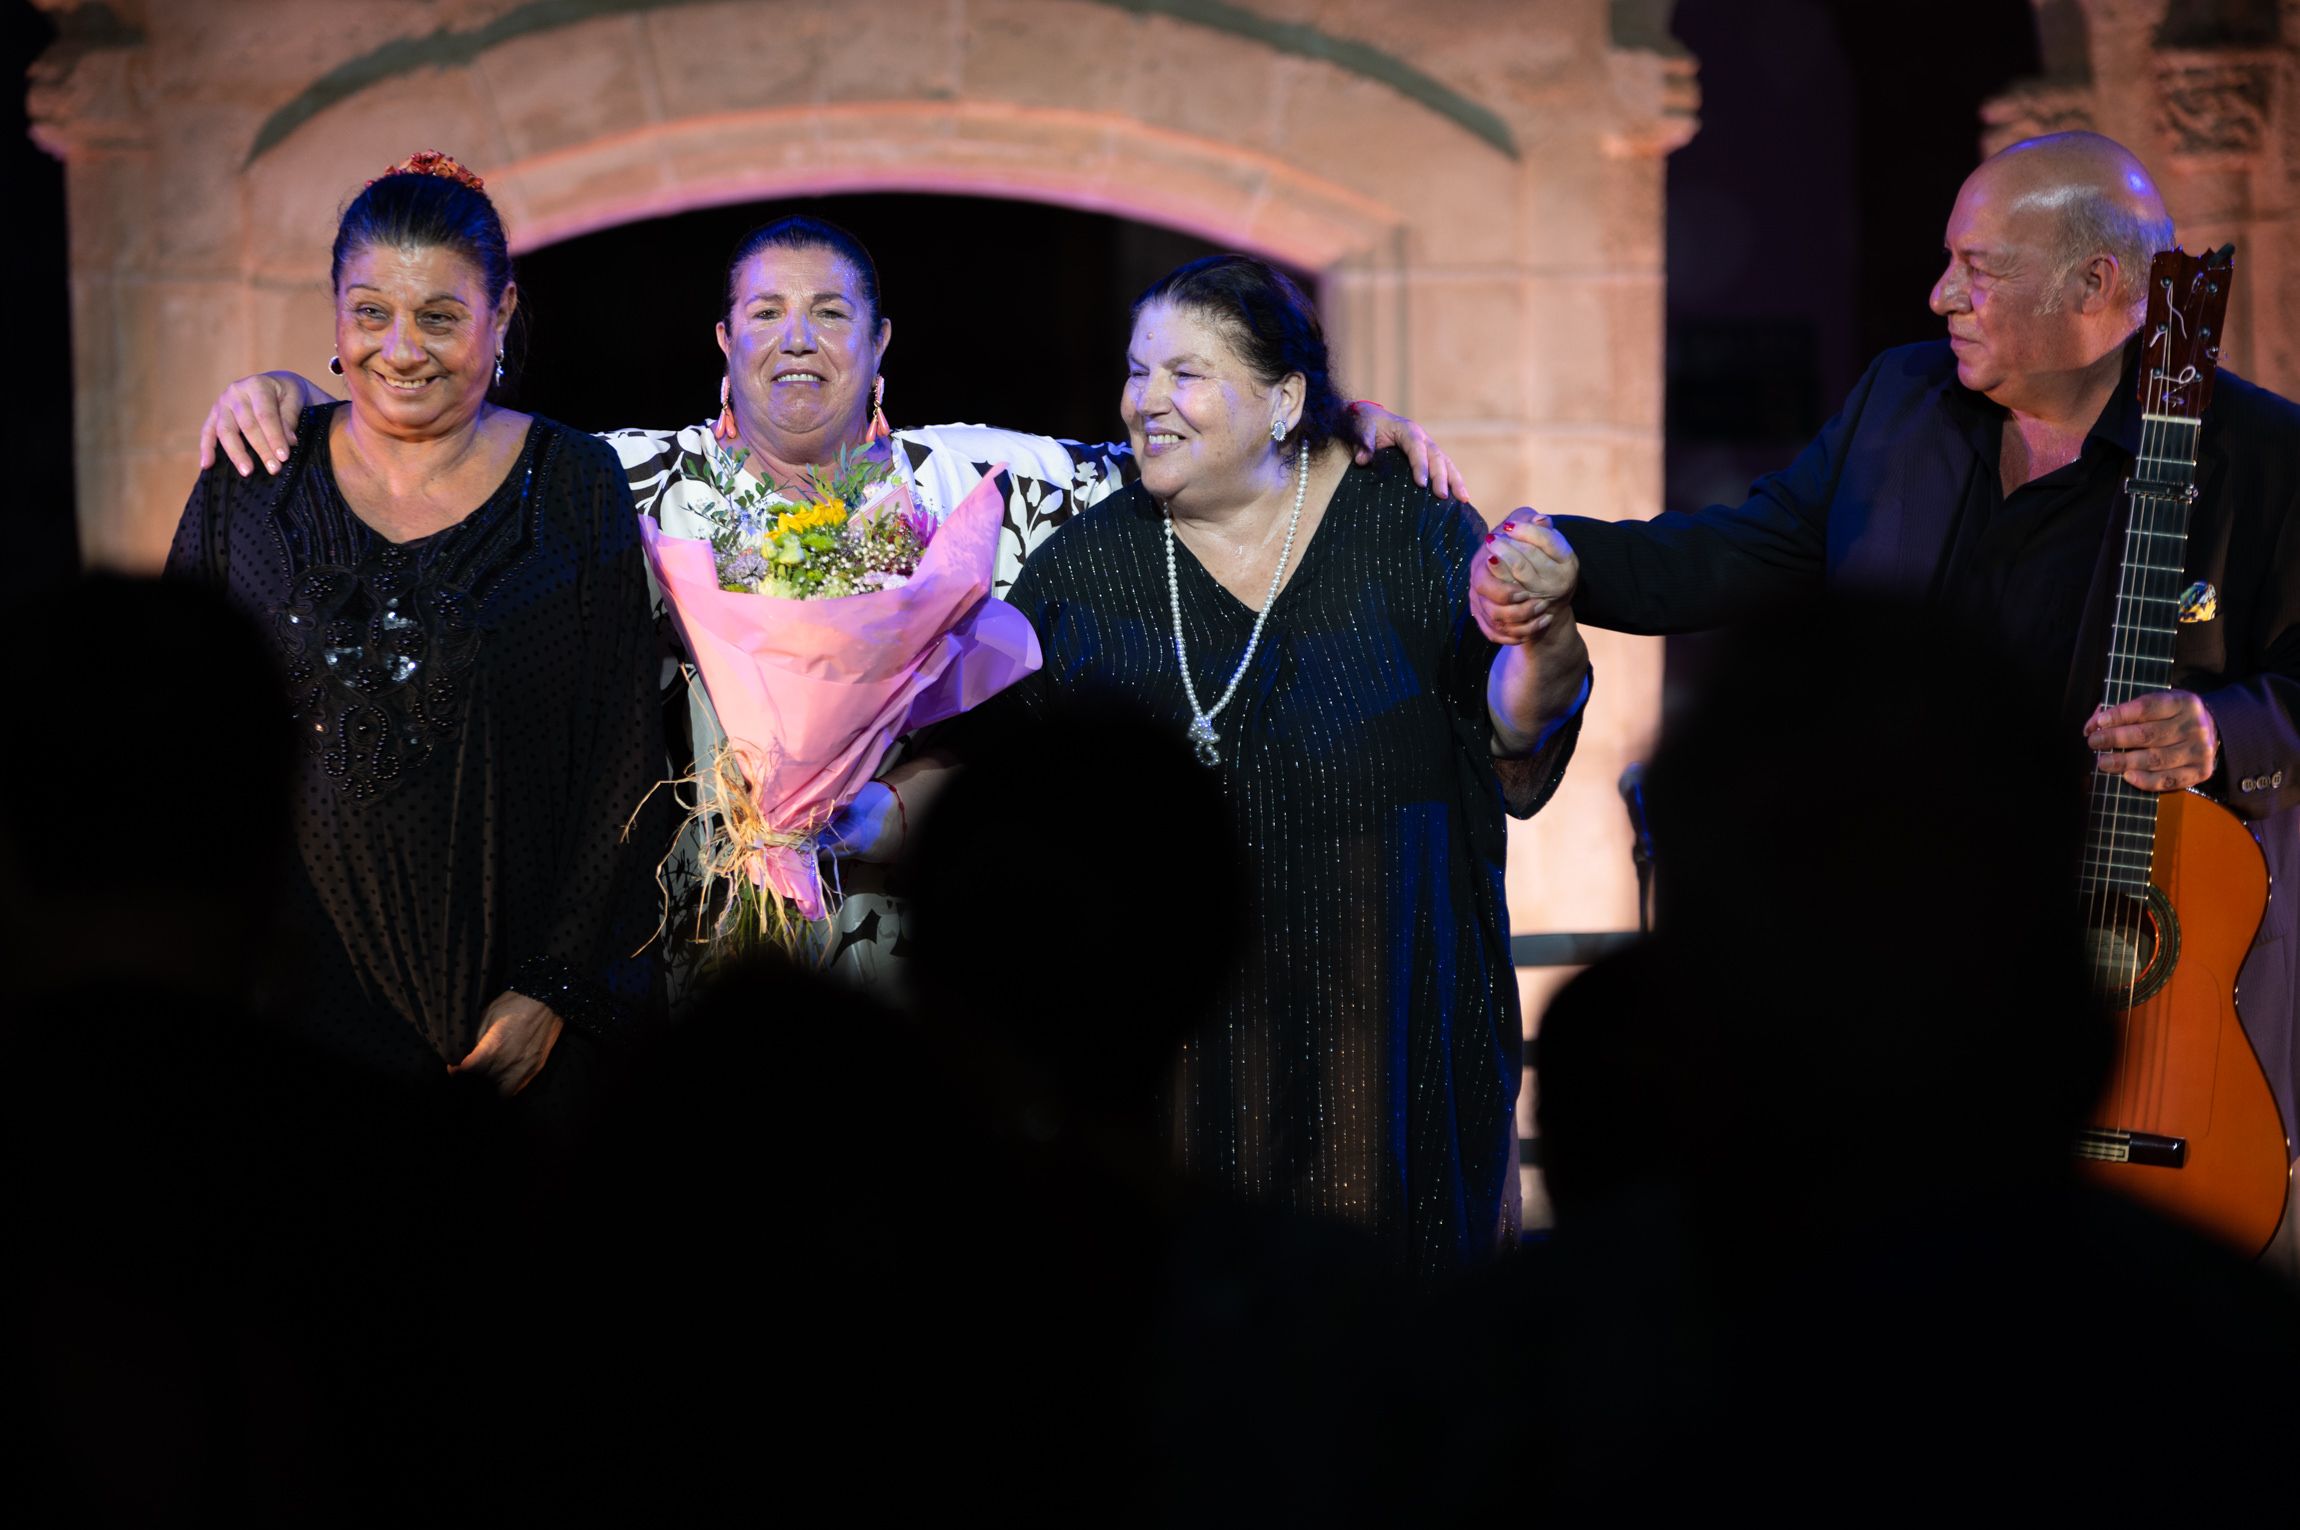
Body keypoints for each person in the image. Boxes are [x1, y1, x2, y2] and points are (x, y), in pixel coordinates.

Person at [197, 214, 1461, 994]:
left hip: (911, 940)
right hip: (678, 937)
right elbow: (449, 437)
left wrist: (1337, 430)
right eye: (765, 312)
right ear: (724, 339)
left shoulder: (980, 480)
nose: (795, 339)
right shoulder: (616, 483)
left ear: (879, 340)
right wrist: (290, 407)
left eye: (828, 313)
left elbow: (1177, 461)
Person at [1472, 130, 2300, 1270]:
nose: (1940, 294)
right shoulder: (1898, 401)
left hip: (2127, 1000)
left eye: (1979, 267)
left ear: (2095, 284)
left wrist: (2219, 730)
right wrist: (1574, 558)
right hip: (1897, 978)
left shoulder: (2263, 456)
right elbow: (1744, 548)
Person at [955, 254, 1593, 1277]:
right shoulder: (1084, 565)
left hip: (1388, 1066)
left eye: (1184, 375)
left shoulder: (1412, 530)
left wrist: (1544, 633)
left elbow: (1513, 727)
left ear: (1284, 398)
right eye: (1135, 370)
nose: (1145, 402)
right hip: (1175, 1092)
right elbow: (987, 775)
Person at [167, 152, 669, 1094]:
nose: (400, 350)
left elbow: (623, 760)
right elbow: (168, 740)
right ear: (336, 315)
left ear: (502, 315)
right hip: (284, 1022)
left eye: (438, 317)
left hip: (510, 1032)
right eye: (370, 313)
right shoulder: (250, 480)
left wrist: (552, 988)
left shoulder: (572, 485)